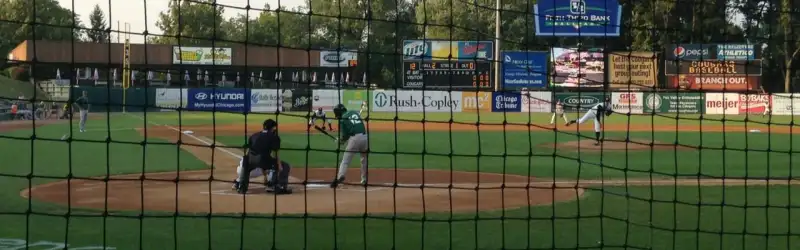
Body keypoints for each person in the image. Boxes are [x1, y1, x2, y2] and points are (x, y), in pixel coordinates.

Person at [236, 119, 292, 194]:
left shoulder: (254, 135)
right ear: (273, 128)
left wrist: (247, 162)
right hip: (263, 160)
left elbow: (247, 152)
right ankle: (277, 186)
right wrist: (279, 165)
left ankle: (241, 187)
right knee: (285, 166)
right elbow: (275, 154)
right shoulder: (274, 137)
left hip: (250, 160)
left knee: (246, 162)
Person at [330, 104, 369, 188]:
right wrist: (343, 140)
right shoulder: (353, 112)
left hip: (355, 139)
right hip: (365, 137)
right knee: (364, 160)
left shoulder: (342, 119)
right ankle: (364, 180)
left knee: (345, 161)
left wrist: (340, 141)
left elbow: (345, 136)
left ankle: (340, 176)